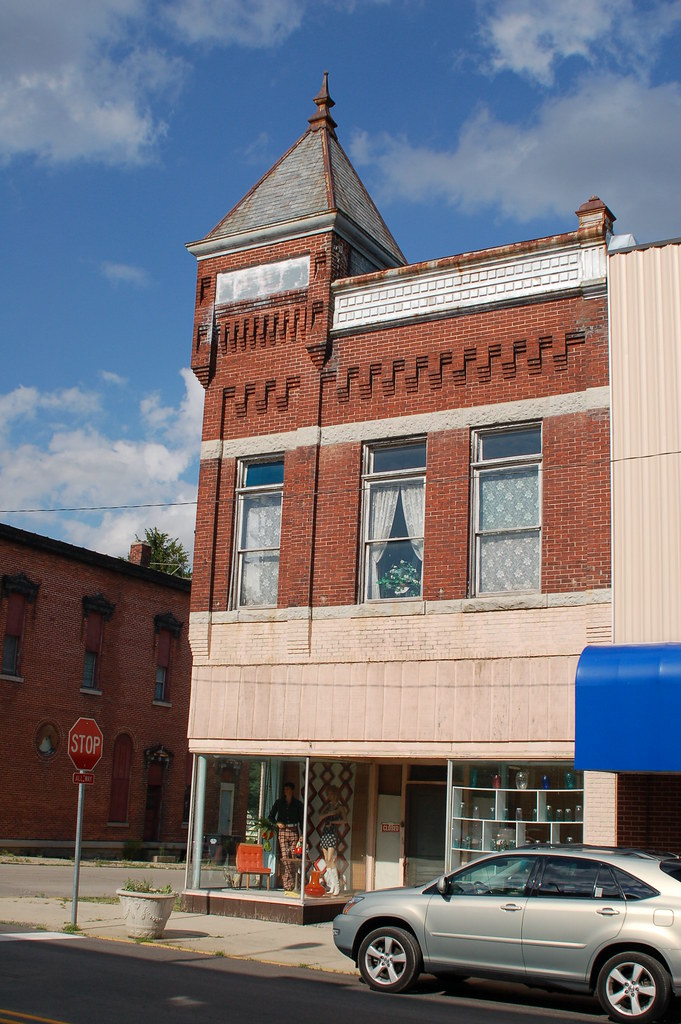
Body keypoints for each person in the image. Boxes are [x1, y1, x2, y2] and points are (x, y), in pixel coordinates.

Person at [268, 782, 304, 892]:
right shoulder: (279, 802)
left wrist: (302, 834)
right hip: (283, 830)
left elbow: (302, 820)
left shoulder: (298, 804)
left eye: (288, 789)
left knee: (293, 856)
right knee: (285, 856)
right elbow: (270, 817)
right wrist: (277, 823)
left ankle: (292, 882)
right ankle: (288, 883)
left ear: (292, 790)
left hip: (294, 830)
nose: (286, 791)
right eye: (285, 789)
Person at [317, 785, 347, 895]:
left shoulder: (340, 807)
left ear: (334, 794)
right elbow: (320, 817)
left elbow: (345, 820)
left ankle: (337, 885)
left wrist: (333, 822)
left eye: (330, 794)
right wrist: (329, 814)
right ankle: (332, 885)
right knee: (326, 859)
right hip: (325, 832)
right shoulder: (328, 806)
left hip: (332, 833)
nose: (328, 796)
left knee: (331, 859)